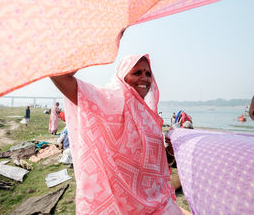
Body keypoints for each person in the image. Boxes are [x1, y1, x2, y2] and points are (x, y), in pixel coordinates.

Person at [50, 54, 182, 214]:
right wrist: (93, 46)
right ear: (123, 76)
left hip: (156, 203)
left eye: (148, 74)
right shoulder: (106, 101)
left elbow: (151, 164)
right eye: (137, 72)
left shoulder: (148, 117)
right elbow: (59, 76)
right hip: (118, 206)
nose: (145, 78)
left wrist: (170, 151)